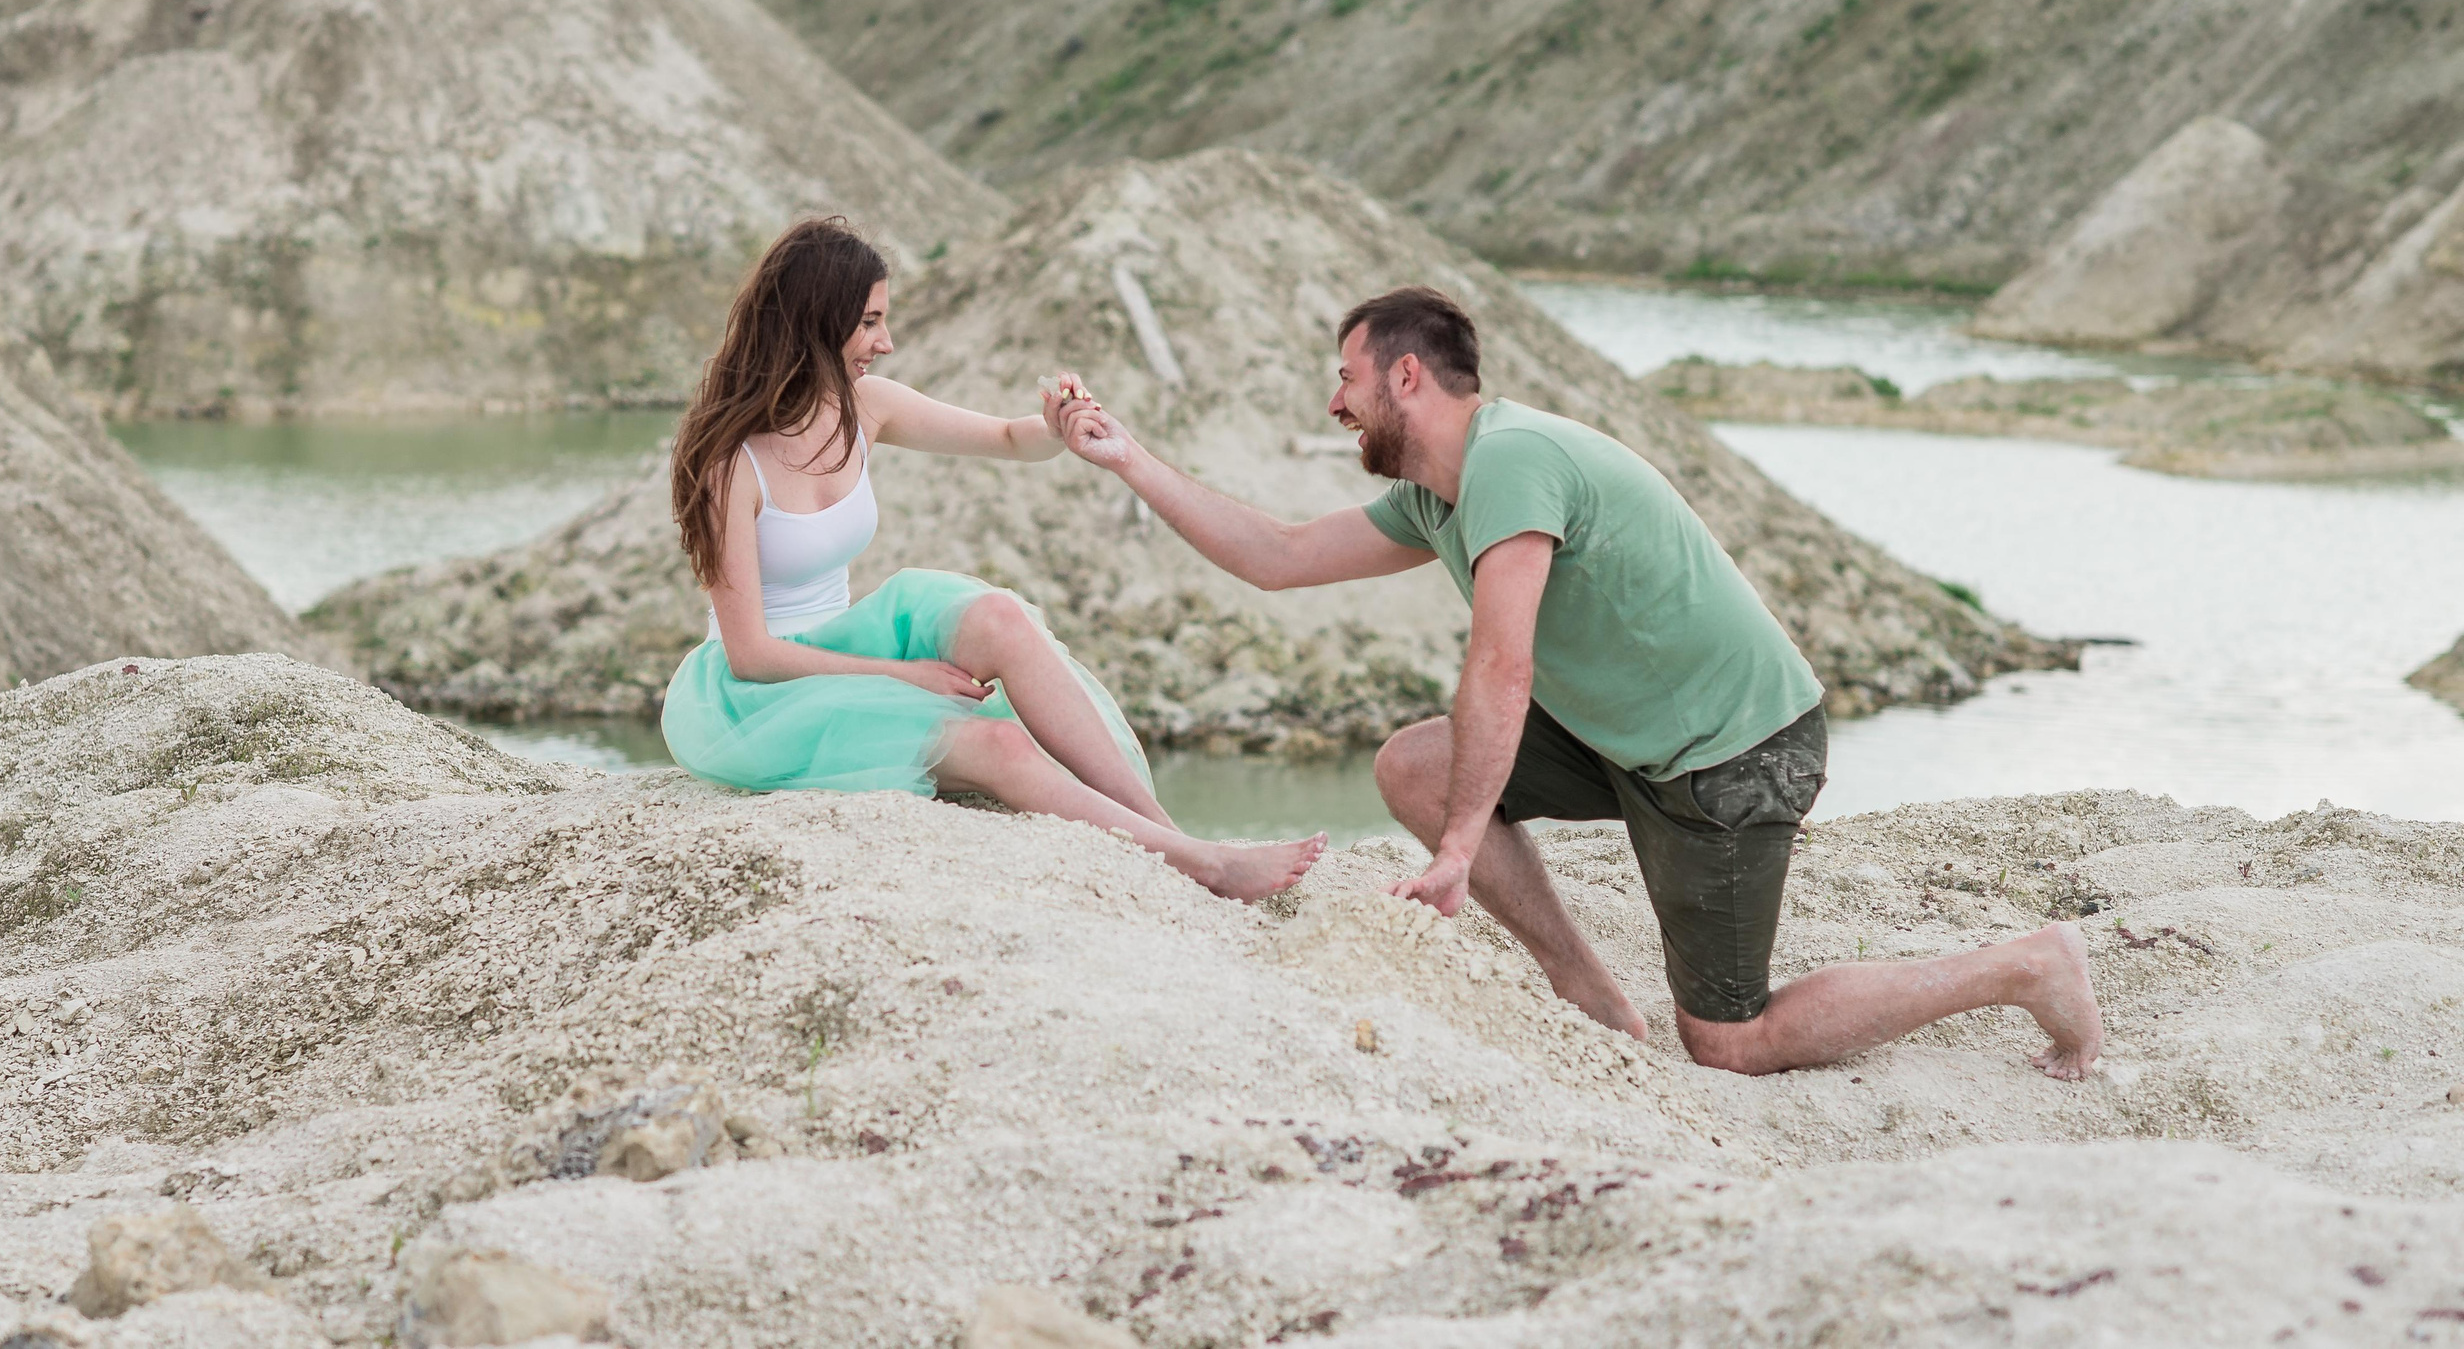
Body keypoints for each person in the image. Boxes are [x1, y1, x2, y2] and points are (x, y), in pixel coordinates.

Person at [1053, 285, 2103, 1077]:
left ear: (1405, 378)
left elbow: (1501, 662)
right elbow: (1278, 557)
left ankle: (2024, 967)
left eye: (1346, 378)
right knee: (1414, 765)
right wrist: (1129, 459)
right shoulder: (1437, 495)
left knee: (1728, 1040)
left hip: (1734, 755)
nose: (1335, 401)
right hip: (1628, 741)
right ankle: (1587, 992)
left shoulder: (1512, 461)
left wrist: (1462, 848)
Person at [659, 217, 1324, 903]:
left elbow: (1008, 438)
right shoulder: (729, 466)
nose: (885, 342)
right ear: (814, 320)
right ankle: (1206, 865)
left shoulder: (866, 406)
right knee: (1002, 746)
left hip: (844, 637)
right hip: (763, 695)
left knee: (1001, 617)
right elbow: (751, 654)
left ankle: (1174, 839)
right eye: (869, 322)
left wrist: (1059, 428)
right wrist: (904, 675)